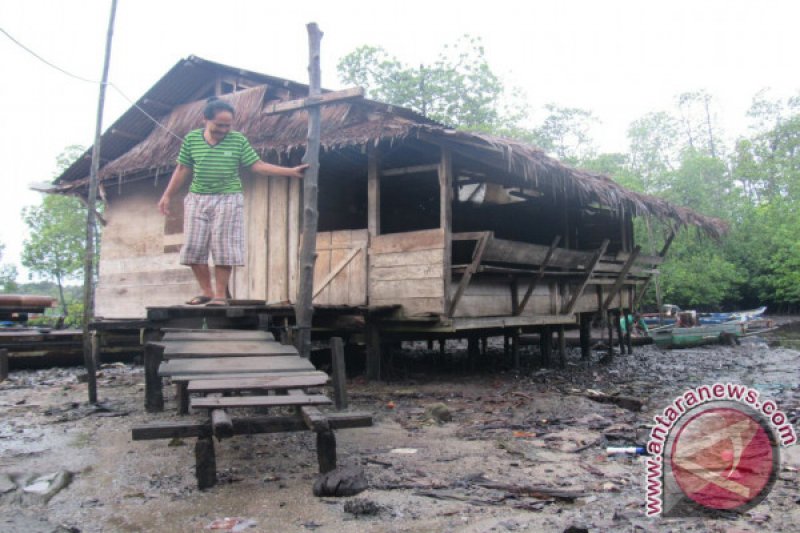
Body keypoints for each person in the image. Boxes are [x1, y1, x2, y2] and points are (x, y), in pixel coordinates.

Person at [157, 97, 308, 306]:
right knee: (193, 248)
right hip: (197, 198)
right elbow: (182, 169)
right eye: (219, 125)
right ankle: (206, 291)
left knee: (224, 246)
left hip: (228, 198)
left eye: (228, 125)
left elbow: (258, 165)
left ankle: (220, 295)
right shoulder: (192, 140)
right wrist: (167, 195)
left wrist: (290, 172)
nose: (224, 129)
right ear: (205, 120)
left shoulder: (237, 140)